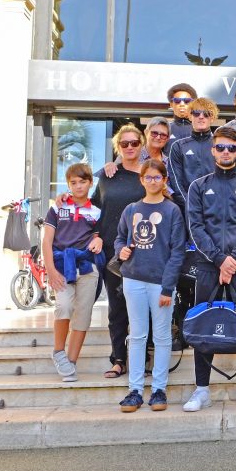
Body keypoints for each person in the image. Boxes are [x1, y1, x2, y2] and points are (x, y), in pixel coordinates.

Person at [183, 127, 236, 412]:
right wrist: (220, 260)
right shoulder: (198, 186)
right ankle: (202, 389)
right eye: (220, 147)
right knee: (204, 325)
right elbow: (196, 227)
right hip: (208, 267)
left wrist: (232, 260)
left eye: (231, 147)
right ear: (213, 151)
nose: (226, 152)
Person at [115, 159, 186, 412]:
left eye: (157, 177)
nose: (153, 181)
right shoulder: (131, 209)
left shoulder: (171, 211)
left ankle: (158, 390)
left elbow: (177, 252)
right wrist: (121, 250)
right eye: (148, 177)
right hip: (133, 279)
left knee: (162, 336)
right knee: (136, 335)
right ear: (141, 180)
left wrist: (168, 288)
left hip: (160, 284)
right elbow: (120, 238)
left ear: (164, 180)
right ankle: (134, 390)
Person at [92, 125, 149, 379]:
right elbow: (94, 210)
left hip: (144, 250)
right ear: (118, 147)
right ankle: (118, 359)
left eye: (134, 143)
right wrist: (94, 235)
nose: (129, 147)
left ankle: (142, 358)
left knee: (142, 308)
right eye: (124, 143)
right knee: (117, 308)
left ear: (141, 145)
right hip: (112, 251)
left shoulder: (149, 175)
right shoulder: (107, 176)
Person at [43, 163, 104, 383]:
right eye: (73, 183)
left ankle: (71, 361)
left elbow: (97, 234)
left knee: (84, 314)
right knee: (64, 306)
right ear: (68, 184)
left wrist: (99, 239)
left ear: (90, 183)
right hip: (61, 266)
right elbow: (47, 241)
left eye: (82, 182)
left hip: (87, 267)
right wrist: (50, 270)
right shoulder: (57, 208)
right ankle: (59, 352)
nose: (78, 186)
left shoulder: (96, 211)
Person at [167, 97, 218, 214]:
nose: (201, 117)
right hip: (188, 209)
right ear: (190, 116)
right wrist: (189, 206)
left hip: (217, 208)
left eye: (206, 114)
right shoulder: (178, 146)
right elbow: (176, 182)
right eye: (196, 113)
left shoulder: (221, 145)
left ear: (212, 117)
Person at [100, 117, 170, 178]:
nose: (158, 137)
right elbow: (114, 169)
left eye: (163, 135)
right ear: (146, 133)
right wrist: (110, 165)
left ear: (167, 138)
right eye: (154, 133)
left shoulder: (169, 162)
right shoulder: (131, 153)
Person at [165, 83, 198, 154]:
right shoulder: (165, 129)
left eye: (187, 101)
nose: (182, 104)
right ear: (171, 104)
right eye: (177, 101)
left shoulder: (201, 129)